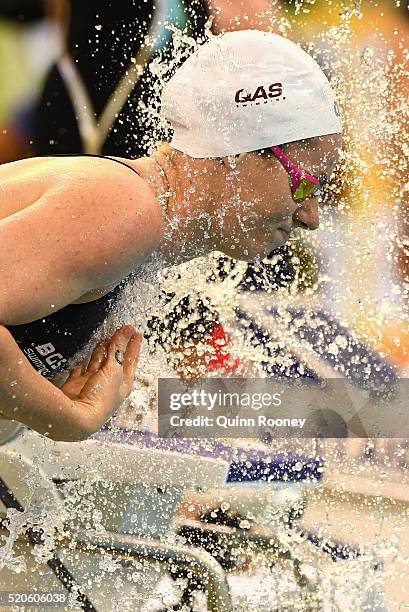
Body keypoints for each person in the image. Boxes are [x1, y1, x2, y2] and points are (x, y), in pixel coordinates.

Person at [0, 30, 342, 442]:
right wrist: (68, 418)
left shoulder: (138, 222)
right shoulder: (124, 208)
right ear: (240, 150)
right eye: (306, 185)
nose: (311, 217)